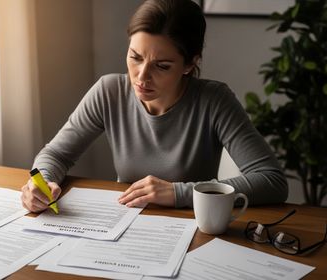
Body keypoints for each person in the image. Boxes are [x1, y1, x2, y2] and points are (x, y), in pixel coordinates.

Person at [21, 0, 288, 213]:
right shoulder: (109, 91)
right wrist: (41, 181)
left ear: (190, 64)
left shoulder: (214, 100)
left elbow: (272, 181)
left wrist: (178, 192)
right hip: (123, 222)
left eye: (162, 66)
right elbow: (55, 154)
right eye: (134, 57)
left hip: (189, 228)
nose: (141, 76)